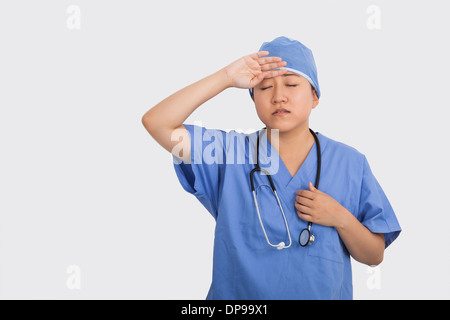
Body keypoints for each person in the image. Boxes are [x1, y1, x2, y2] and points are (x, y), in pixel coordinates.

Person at [141, 36, 401, 299]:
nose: (279, 97)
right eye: (265, 88)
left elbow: (373, 255)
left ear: (314, 96)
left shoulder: (350, 163)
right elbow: (157, 123)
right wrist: (226, 77)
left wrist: (340, 217)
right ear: (253, 98)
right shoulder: (227, 154)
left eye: (291, 84)